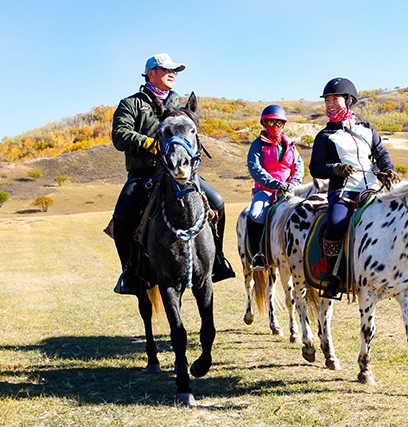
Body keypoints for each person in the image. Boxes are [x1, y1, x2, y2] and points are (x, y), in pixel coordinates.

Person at [111, 53, 235, 295]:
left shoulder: (179, 104)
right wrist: (149, 143)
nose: (172, 74)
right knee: (122, 216)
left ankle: (217, 260)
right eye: (166, 69)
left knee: (218, 201)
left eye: (175, 71)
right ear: (150, 73)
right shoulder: (131, 104)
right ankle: (129, 272)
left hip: (181, 172)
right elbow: (120, 135)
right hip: (144, 173)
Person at [309, 77, 400, 299]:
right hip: (343, 193)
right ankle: (333, 276)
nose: (330, 104)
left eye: (335, 99)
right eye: (327, 100)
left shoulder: (368, 130)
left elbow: (382, 155)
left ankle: (399, 274)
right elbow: (316, 168)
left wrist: (388, 170)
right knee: (335, 224)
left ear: (348, 101)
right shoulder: (324, 136)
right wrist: (336, 169)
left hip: (372, 190)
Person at [246, 105, 304, 267]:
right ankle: (258, 254)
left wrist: (293, 184)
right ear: (264, 124)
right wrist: (277, 184)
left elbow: (299, 167)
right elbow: (255, 169)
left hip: (289, 191)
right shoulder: (258, 145)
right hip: (265, 190)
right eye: (270, 123)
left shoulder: (291, 145)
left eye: (279, 123)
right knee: (256, 214)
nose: (275, 126)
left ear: (284, 124)